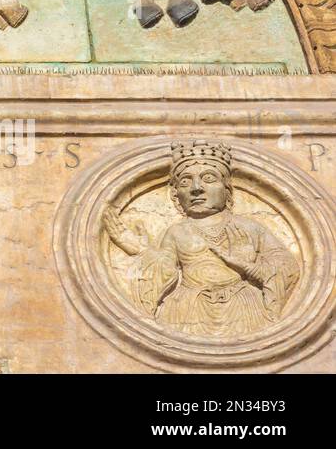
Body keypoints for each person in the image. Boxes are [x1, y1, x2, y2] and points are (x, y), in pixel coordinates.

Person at [106, 140, 299, 338]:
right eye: (185, 182)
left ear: (227, 190)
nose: (196, 188)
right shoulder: (176, 232)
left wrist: (248, 267)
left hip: (245, 308)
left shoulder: (250, 228)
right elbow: (163, 271)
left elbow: (286, 266)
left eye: (208, 178)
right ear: (176, 196)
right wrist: (141, 251)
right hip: (186, 310)